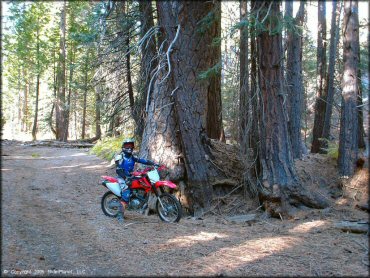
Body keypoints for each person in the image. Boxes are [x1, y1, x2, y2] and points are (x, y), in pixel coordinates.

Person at [114, 138, 159, 222]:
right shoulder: (120, 157)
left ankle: (137, 199)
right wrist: (125, 177)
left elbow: (143, 160)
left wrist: (153, 163)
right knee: (126, 193)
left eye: (131, 145)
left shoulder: (132, 157)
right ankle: (120, 215)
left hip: (130, 176)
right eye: (127, 146)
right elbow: (118, 170)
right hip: (122, 178)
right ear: (123, 147)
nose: (129, 147)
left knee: (142, 181)